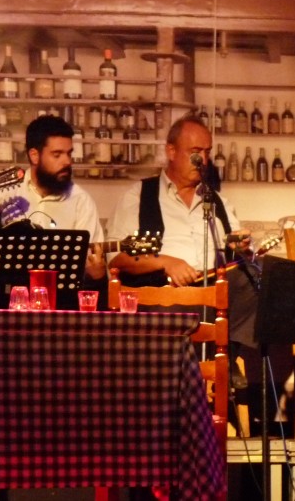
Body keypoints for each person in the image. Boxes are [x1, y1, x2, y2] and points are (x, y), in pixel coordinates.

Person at [108, 116, 255, 379]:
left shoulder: (217, 201)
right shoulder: (138, 196)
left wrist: (241, 246)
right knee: (174, 313)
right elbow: (116, 258)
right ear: (171, 151)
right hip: (164, 299)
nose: (203, 160)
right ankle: (199, 369)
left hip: (214, 294)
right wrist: (165, 262)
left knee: (257, 277)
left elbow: (234, 250)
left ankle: (226, 354)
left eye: (207, 153)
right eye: (195, 152)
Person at [0, 115, 106, 306]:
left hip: (55, 301)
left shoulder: (81, 201)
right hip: (1, 300)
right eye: (57, 155)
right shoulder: (8, 187)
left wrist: (96, 274)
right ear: (34, 155)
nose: (67, 162)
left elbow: (90, 263)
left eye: (69, 154)